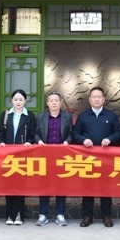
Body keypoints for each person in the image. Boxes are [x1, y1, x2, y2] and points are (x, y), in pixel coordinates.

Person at [73, 86, 120, 228]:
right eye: (94, 97)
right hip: (87, 158)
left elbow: (119, 132)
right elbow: (75, 133)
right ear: (90, 99)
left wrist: (110, 139)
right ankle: (87, 216)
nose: (96, 99)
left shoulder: (110, 115)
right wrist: (83, 140)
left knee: (105, 187)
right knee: (87, 187)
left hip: (105, 158)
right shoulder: (83, 116)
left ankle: (106, 216)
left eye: (99, 97)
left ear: (103, 99)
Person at [0, 89, 36, 225]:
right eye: (15, 99)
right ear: (12, 101)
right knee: (8, 184)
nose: (18, 102)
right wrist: (1, 142)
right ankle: (9, 215)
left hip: (22, 154)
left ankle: (18, 215)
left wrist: (29, 142)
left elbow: (32, 133)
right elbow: (0, 131)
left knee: (20, 184)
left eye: (21, 99)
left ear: (25, 101)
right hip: (7, 155)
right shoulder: (6, 114)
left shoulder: (30, 115)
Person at [34, 91, 74, 226]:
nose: (54, 103)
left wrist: (67, 142)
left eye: (56, 100)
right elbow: (36, 133)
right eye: (51, 101)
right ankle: (43, 214)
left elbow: (71, 133)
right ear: (47, 103)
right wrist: (39, 141)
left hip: (62, 156)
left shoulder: (67, 116)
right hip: (45, 156)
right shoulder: (41, 117)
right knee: (43, 184)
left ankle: (60, 214)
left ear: (61, 102)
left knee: (61, 185)